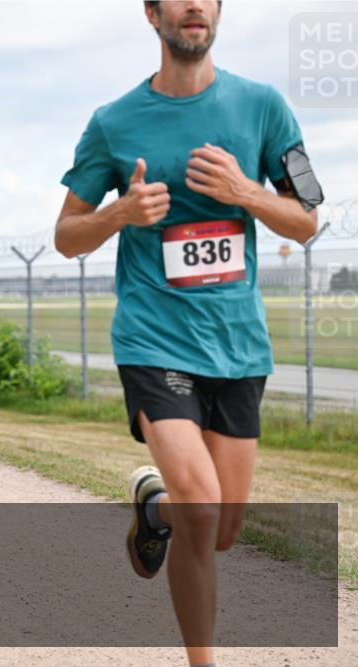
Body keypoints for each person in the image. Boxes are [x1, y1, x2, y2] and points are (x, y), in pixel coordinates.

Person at [55, 2, 322, 666]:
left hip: (238, 346)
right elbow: (65, 236)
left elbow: (307, 219)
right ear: (153, 14)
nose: (194, 6)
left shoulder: (263, 108)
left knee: (222, 529)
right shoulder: (113, 122)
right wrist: (119, 211)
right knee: (202, 511)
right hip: (153, 338)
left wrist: (246, 191)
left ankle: (155, 509)